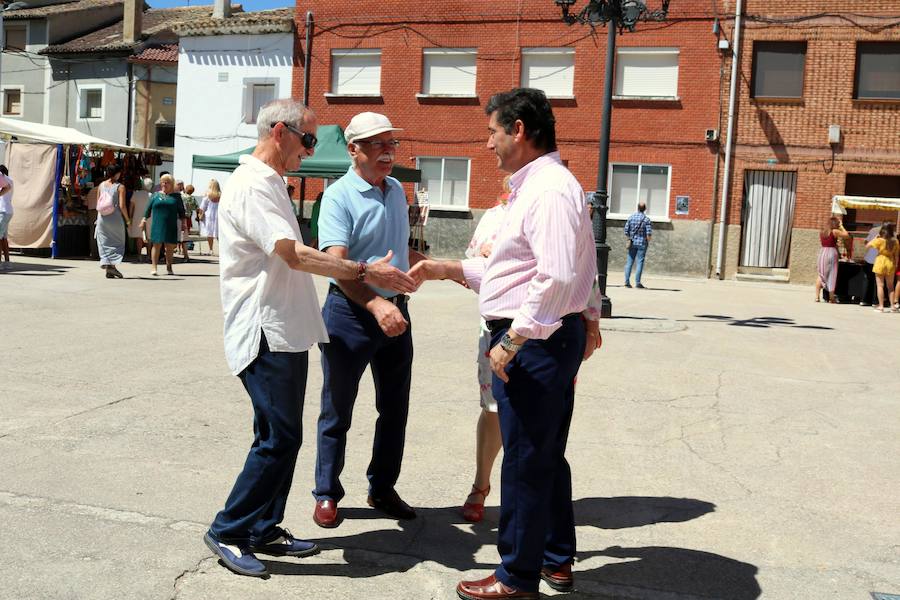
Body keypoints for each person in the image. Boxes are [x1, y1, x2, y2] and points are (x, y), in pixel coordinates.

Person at [203, 98, 416, 578]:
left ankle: (262, 526)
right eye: (309, 139)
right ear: (280, 132)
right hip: (264, 328)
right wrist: (363, 270)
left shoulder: (273, 182)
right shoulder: (253, 184)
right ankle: (230, 529)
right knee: (279, 437)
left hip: (288, 329)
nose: (313, 150)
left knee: (281, 436)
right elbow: (293, 254)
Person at [410, 88, 597, 599]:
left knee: (524, 459)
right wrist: (446, 268)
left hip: (534, 340)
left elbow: (557, 276)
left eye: (492, 131)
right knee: (542, 455)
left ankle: (516, 577)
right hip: (543, 336)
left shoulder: (550, 188)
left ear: (519, 130)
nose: (487, 142)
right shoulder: (535, 187)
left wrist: (513, 339)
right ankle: (555, 560)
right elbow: (516, 269)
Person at [459, 177, 602, 524]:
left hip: (551, 332)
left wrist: (592, 321)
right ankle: (483, 486)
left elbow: (584, 272)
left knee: (543, 425)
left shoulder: (562, 213)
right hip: (504, 329)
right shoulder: (495, 218)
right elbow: (477, 272)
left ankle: (533, 518)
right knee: (495, 408)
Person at [311, 112, 426, 530]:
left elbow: (399, 251)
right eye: (378, 144)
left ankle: (382, 487)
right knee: (337, 410)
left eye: (391, 144)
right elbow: (335, 268)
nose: (388, 152)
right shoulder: (338, 197)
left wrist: (444, 268)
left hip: (398, 312)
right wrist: (377, 306)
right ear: (353, 149)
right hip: (350, 314)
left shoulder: (396, 190)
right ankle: (326, 492)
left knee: (394, 408)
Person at [141, 174, 185, 276]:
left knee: (169, 247)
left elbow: (182, 212)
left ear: (172, 184)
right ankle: (154, 267)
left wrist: (183, 224)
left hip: (171, 224)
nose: (164, 184)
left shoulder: (177, 197)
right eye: (162, 182)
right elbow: (148, 208)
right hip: (157, 224)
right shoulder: (155, 195)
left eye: (167, 182)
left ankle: (169, 267)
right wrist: (144, 219)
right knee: (156, 245)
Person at [95, 164, 129, 279]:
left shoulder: (101, 185)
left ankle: (108, 265)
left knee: (105, 241)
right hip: (115, 218)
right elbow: (122, 205)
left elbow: (98, 203)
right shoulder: (120, 187)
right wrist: (128, 220)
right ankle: (112, 267)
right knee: (117, 241)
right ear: (117, 173)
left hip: (102, 218)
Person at [815, 216, 850, 303]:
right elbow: (846, 235)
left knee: (821, 274)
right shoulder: (834, 231)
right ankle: (831, 298)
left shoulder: (823, 231)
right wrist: (842, 226)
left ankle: (816, 297)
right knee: (832, 274)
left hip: (822, 252)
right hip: (831, 253)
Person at [865, 223, 898, 313]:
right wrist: (895, 265)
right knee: (891, 286)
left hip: (880, 261)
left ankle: (881, 306)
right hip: (890, 262)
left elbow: (867, 246)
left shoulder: (879, 240)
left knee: (880, 285)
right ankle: (892, 306)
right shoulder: (895, 241)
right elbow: (897, 255)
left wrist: (875, 238)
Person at [624, 202, 652, 289]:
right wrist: (647, 241)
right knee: (640, 262)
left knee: (629, 262)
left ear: (638, 208)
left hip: (632, 242)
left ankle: (627, 282)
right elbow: (649, 234)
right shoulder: (646, 219)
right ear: (645, 209)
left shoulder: (631, 217)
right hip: (642, 243)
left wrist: (630, 237)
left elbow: (626, 230)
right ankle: (637, 282)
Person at [128, 177, 153, 262]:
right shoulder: (152, 196)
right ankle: (148, 255)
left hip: (137, 217)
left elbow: (131, 207)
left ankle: (139, 255)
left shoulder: (136, 194)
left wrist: (130, 217)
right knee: (149, 237)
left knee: (139, 237)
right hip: (149, 217)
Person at [197, 179, 221, 255]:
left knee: (210, 233)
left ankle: (211, 249)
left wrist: (200, 215)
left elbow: (202, 208)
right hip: (219, 215)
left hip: (209, 216)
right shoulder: (221, 195)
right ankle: (222, 250)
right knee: (219, 233)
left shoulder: (207, 196)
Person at [0, 165, 13, 268]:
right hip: (8, 211)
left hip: (2, 211)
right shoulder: (10, 180)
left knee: (0, 238)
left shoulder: (3, 179)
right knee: (3, 238)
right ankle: (7, 262)